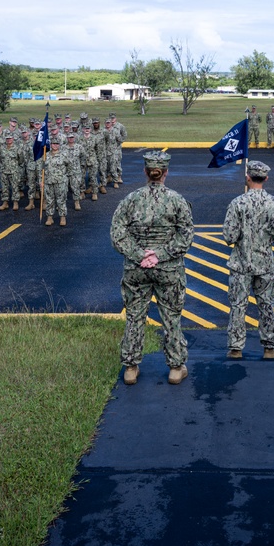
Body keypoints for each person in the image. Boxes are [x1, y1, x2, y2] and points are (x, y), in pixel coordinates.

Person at [111, 151, 194, 385]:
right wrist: (160, 255)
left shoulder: (130, 199)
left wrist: (140, 255)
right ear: (165, 173)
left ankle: (130, 367)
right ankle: (176, 367)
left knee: (135, 317)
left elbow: (117, 234)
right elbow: (185, 236)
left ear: (146, 173)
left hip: (136, 269)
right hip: (168, 269)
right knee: (171, 317)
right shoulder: (177, 200)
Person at [223, 160, 274, 360]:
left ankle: (236, 348)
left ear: (248, 178)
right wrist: (269, 239)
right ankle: (269, 347)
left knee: (238, 305)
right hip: (265, 262)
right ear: (266, 179)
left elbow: (229, 236)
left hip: (241, 263)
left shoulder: (237, 203)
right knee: (266, 304)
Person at [42, 141, 71, 227]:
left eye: (57, 143)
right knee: (49, 200)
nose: (55, 145)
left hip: (60, 181)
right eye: (53, 144)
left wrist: (65, 177)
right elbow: (42, 169)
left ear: (59, 145)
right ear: (50, 145)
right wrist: (41, 181)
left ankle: (62, 217)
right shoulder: (45, 155)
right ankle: (50, 217)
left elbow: (69, 166)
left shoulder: (63, 155)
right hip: (48, 181)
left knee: (61, 200)